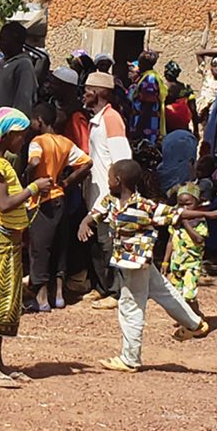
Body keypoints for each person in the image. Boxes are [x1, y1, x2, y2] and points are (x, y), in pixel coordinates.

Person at [77, 160, 217, 372]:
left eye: (110, 177)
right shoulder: (110, 201)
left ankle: (130, 359)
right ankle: (195, 325)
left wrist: (208, 214)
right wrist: (85, 223)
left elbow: (177, 213)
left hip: (136, 264)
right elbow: (94, 214)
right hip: (134, 262)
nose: (108, 181)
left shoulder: (145, 206)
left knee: (130, 307)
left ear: (118, 181)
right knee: (164, 291)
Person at [0, 108, 51, 389]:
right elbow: (3, 203)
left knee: (6, 300)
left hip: (9, 239)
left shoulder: (2, 162)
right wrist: (33, 189)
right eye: (20, 135)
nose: (23, 140)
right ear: (6, 136)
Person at [25, 103, 92, 311]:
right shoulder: (65, 142)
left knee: (40, 248)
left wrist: (28, 176)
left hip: (40, 200)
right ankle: (60, 294)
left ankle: (42, 297)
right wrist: (67, 182)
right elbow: (87, 163)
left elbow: (35, 162)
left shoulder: (37, 141)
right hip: (60, 198)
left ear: (39, 121)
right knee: (60, 247)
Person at [81, 72, 132, 309]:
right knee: (96, 244)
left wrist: (118, 195)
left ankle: (115, 291)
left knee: (108, 243)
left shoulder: (111, 119)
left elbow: (122, 159)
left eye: (87, 90)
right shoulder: (98, 119)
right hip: (95, 193)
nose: (84, 94)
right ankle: (101, 286)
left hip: (106, 195)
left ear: (98, 93)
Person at [164, 183, 210, 318]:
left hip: (192, 264)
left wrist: (185, 224)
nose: (184, 208)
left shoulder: (199, 221)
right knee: (177, 294)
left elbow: (199, 240)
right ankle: (188, 318)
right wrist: (165, 262)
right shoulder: (175, 222)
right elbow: (170, 241)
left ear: (197, 203)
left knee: (189, 295)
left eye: (188, 204)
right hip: (176, 263)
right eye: (180, 204)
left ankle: (197, 316)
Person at [129, 49, 166, 146]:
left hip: (146, 125)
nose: (139, 66)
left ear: (145, 64)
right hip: (147, 123)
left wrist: (139, 127)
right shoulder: (150, 76)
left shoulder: (149, 79)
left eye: (140, 63)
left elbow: (147, 104)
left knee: (145, 150)